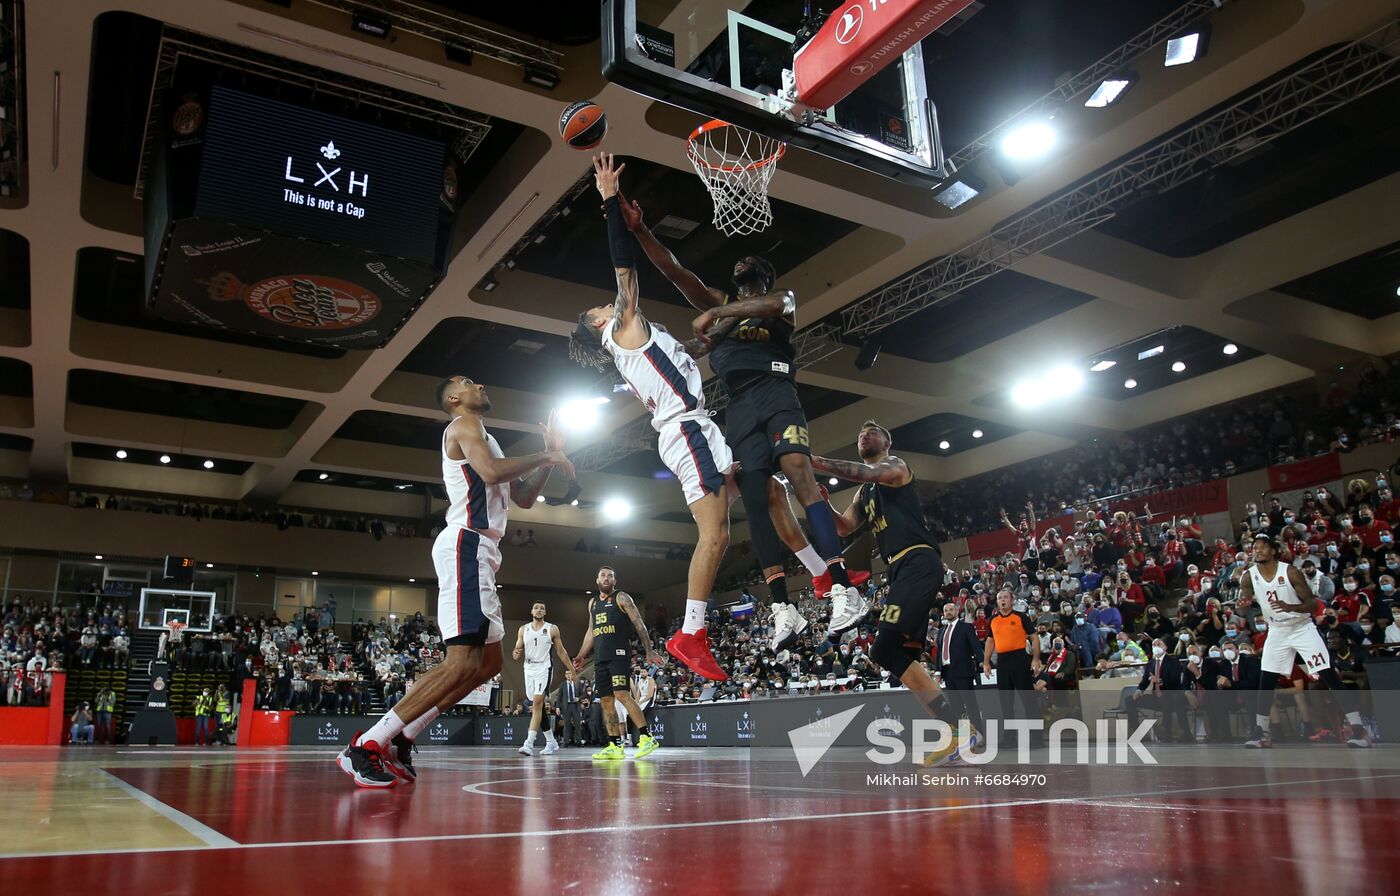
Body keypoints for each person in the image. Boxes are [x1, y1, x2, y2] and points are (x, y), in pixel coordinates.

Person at [570, 154, 832, 669]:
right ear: (597, 324)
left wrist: (717, 342)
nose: (607, 303)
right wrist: (607, 201)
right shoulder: (620, 327)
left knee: (768, 492)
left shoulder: (639, 340)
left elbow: (689, 347)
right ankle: (691, 634)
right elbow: (626, 267)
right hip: (684, 430)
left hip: (697, 426)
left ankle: (819, 570)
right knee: (716, 533)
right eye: (598, 309)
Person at [619, 178, 866, 643]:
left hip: (776, 392)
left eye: (748, 261)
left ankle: (840, 589)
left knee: (798, 473)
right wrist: (640, 231)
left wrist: (718, 317)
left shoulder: (775, 302)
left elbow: (778, 303)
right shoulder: (719, 301)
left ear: (763, 273)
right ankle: (782, 608)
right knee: (754, 497)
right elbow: (674, 271)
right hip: (740, 407)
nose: (738, 261)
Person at [335, 378, 574, 788]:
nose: (479, 384)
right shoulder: (463, 426)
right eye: (467, 382)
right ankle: (368, 745)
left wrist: (550, 463)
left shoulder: (486, 437)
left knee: (489, 664)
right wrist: (544, 453)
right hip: (466, 543)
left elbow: (524, 498)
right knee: (461, 662)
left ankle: (404, 736)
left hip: (482, 551)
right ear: (453, 399)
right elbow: (491, 472)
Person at [812, 420, 973, 765]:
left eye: (872, 430)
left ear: (887, 441)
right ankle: (956, 731)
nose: (864, 433)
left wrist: (815, 462)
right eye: (860, 431)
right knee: (893, 653)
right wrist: (824, 504)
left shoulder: (896, 467)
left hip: (918, 558)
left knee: (885, 646)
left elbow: (865, 473)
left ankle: (960, 729)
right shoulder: (864, 493)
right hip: (899, 570)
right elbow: (845, 527)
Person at [1242, 534, 1369, 748]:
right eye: (1255, 547)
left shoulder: (1290, 571)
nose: (1258, 550)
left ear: (1274, 550)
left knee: (1328, 675)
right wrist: (1243, 603)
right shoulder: (1249, 576)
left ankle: (1358, 728)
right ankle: (1262, 732)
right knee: (1266, 682)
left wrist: (1291, 607)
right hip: (1277, 630)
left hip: (1301, 627)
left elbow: (1312, 604)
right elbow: (1244, 602)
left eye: (1263, 547)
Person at [572, 566, 663, 760]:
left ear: (615, 581)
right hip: (600, 657)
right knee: (605, 701)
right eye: (603, 576)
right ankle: (615, 745)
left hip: (619, 654)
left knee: (622, 694)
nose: (606, 578)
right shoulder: (593, 603)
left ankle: (647, 737)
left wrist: (648, 650)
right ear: (597, 580)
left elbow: (639, 623)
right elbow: (591, 631)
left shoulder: (622, 598)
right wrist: (581, 655)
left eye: (610, 576)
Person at [513, 602, 575, 756]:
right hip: (528, 668)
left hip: (544, 668)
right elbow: (517, 648)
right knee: (537, 707)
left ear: (545, 612)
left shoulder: (552, 629)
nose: (539, 610)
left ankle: (529, 743)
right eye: (536, 607)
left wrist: (572, 669)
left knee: (537, 704)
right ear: (531, 611)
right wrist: (516, 653)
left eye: (542, 608)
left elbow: (561, 651)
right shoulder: (523, 629)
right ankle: (551, 742)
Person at [983, 590, 1042, 725]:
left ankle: (1036, 736)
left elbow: (1034, 638)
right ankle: (1010, 737)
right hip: (1002, 661)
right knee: (1005, 701)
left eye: (1005, 597)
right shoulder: (993, 620)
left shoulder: (1020, 617)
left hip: (1020, 659)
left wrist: (1035, 658)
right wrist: (986, 662)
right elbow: (990, 641)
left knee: (1028, 698)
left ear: (1012, 600)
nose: (1003, 600)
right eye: (1000, 598)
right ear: (997, 602)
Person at [934, 601, 986, 742]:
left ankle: (980, 736)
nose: (949, 612)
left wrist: (983, 661)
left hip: (963, 672)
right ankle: (964, 737)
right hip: (948, 673)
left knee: (970, 705)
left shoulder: (966, 627)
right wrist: (938, 673)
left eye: (951, 609)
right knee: (956, 708)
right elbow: (939, 654)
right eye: (946, 610)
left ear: (957, 611)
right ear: (943, 613)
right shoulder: (941, 631)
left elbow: (975, 645)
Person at [1129, 639, 1194, 741]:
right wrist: (1139, 690)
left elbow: (1175, 680)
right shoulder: (1151, 663)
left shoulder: (1173, 661)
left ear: (1165, 647)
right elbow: (1145, 681)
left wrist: (1160, 681)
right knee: (1129, 700)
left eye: (1159, 644)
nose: (1156, 646)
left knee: (1166, 698)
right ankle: (1137, 732)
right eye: (1154, 644)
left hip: (1171, 696)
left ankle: (1169, 734)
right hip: (1156, 698)